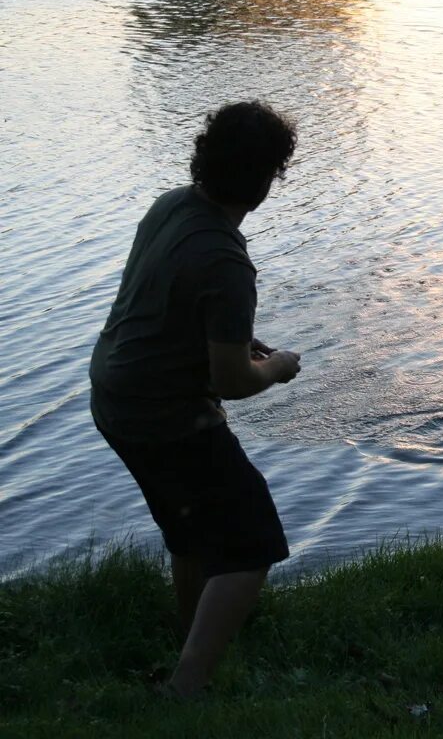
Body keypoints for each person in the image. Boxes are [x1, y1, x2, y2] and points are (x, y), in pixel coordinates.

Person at [89, 101, 301, 698]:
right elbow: (233, 382)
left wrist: (228, 341)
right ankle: (186, 688)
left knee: (190, 533)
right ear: (266, 181)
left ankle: (191, 641)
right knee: (251, 545)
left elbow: (160, 303)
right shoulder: (228, 262)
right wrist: (276, 366)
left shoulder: (170, 208)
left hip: (112, 396)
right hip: (162, 415)